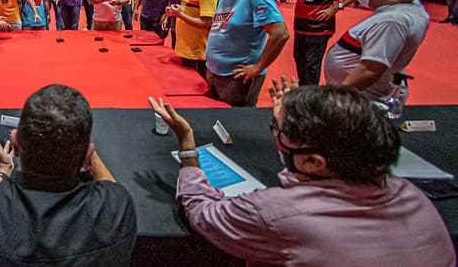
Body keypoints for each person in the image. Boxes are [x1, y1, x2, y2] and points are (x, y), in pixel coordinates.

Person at [148, 80, 454, 267]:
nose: (276, 136)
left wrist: (187, 144)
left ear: (315, 162)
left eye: (277, 131)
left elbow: (202, 212)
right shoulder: (410, 194)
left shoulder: (273, 212)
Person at [0, 84, 137, 266]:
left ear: (15, 144)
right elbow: (112, 188)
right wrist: (87, 152)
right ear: (87, 155)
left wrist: (3, 169)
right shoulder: (116, 208)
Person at [323, 0, 429, 102]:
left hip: (362, 98)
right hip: (361, 94)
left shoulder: (392, 21)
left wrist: (336, 98)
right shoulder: (411, 6)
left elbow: (370, 70)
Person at [206, 0, 289, 106]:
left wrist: (258, 67)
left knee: (235, 122)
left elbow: (281, 34)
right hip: (214, 70)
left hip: (237, 76)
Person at [293, 0, 361, 85]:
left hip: (319, 27)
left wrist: (338, 6)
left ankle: (310, 92)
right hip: (300, 26)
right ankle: (303, 87)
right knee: (299, 58)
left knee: (312, 63)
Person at [168, 0, 220, 78]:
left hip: (198, 53)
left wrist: (180, 14)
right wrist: (175, 11)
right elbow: (188, 11)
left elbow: (207, 24)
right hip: (186, 49)